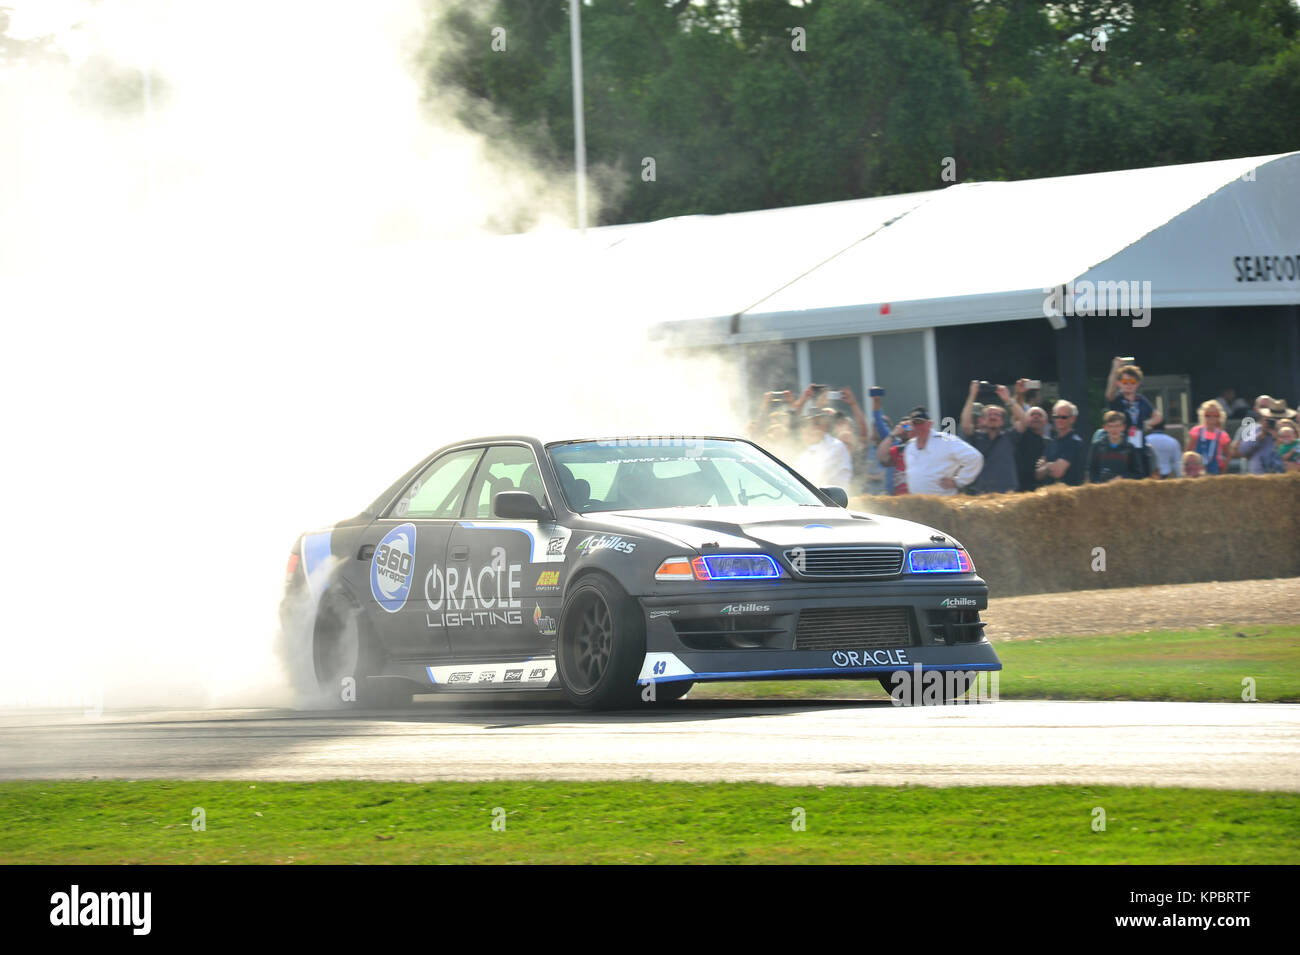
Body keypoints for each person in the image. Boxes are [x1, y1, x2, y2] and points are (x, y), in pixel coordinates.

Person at [897, 407, 983, 496]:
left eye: (920, 423)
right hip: (917, 503)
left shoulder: (945, 440)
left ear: (930, 424)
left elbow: (975, 457)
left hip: (943, 503)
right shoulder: (910, 446)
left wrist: (958, 482)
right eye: (914, 423)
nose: (917, 426)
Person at [961, 381, 1026, 494]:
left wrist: (1008, 399)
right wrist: (972, 395)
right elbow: (965, 425)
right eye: (989, 414)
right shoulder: (976, 437)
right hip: (982, 493)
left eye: (997, 415)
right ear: (983, 420)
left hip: (1007, 493)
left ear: (1002, 421)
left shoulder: (1009, 437)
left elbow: (1024, 421)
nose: (993, 417)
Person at [1105, 357, 1162, 448]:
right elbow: (1109, 393)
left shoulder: (1141, 400)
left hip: (1138, 442)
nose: (1129, 385)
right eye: (1125, 382)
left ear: (1138, 383)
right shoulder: (1117, 399)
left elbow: (1158, 417)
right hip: (1120, 444)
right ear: (1119, 383)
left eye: (1132, 382)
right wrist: (1115, 368)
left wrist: (1146, 423)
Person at [794, 408, 853, 488]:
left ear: (825, 425)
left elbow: (817, 475)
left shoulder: (836, 446)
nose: (813, 427)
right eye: (807, 424)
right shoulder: (807, 450)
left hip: (835, 499)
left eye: (817, 423)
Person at [1086, 410, 1147, 482]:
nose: (1114, 430)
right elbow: (1091, 471)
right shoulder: (1097, 447)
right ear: (1105, 427)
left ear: (1123, 427)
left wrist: (1122, 478)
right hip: (1102, 490)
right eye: (1110, 426)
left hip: (1123, 490)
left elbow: (1138, 474)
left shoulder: (1130, 448)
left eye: (1117, 426)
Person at [1035, 400, 1086, 486]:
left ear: (1072, 419)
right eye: (1056, 416)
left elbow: (1058, 472)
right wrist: (1051, 466)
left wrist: (1046, 466)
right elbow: (1037, 474)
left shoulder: (1074, 442)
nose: (1059, 420)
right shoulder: (1052, 443)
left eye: (1063, 417)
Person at [1186, 400, 1231, 475]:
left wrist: (1223, 473)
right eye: (1208, 415)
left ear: (1220, 416)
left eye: (1215, 415)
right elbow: (1187, 452)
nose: (1211, 417)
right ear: (1203, 416)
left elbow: (1228, 455)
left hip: (1215, 471)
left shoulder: (1223, 435)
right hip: (1196, 472)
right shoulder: (1196, 431)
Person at [1015, 406, 1048, 492]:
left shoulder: (1050, 443)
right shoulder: (1020, 437)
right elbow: (1017, 415)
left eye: (1039, 415)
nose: (1036, 417)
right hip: (1020, 489)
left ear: (1046, 421)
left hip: (1042, 490)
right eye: (1032, 414)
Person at [875, 415, 909, 495]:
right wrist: (893, 434)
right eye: (903, 426)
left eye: (908, 426)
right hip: (898, 497)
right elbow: (882, 457)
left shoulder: (919, 447)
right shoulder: (898, 449)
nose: (905, 429)